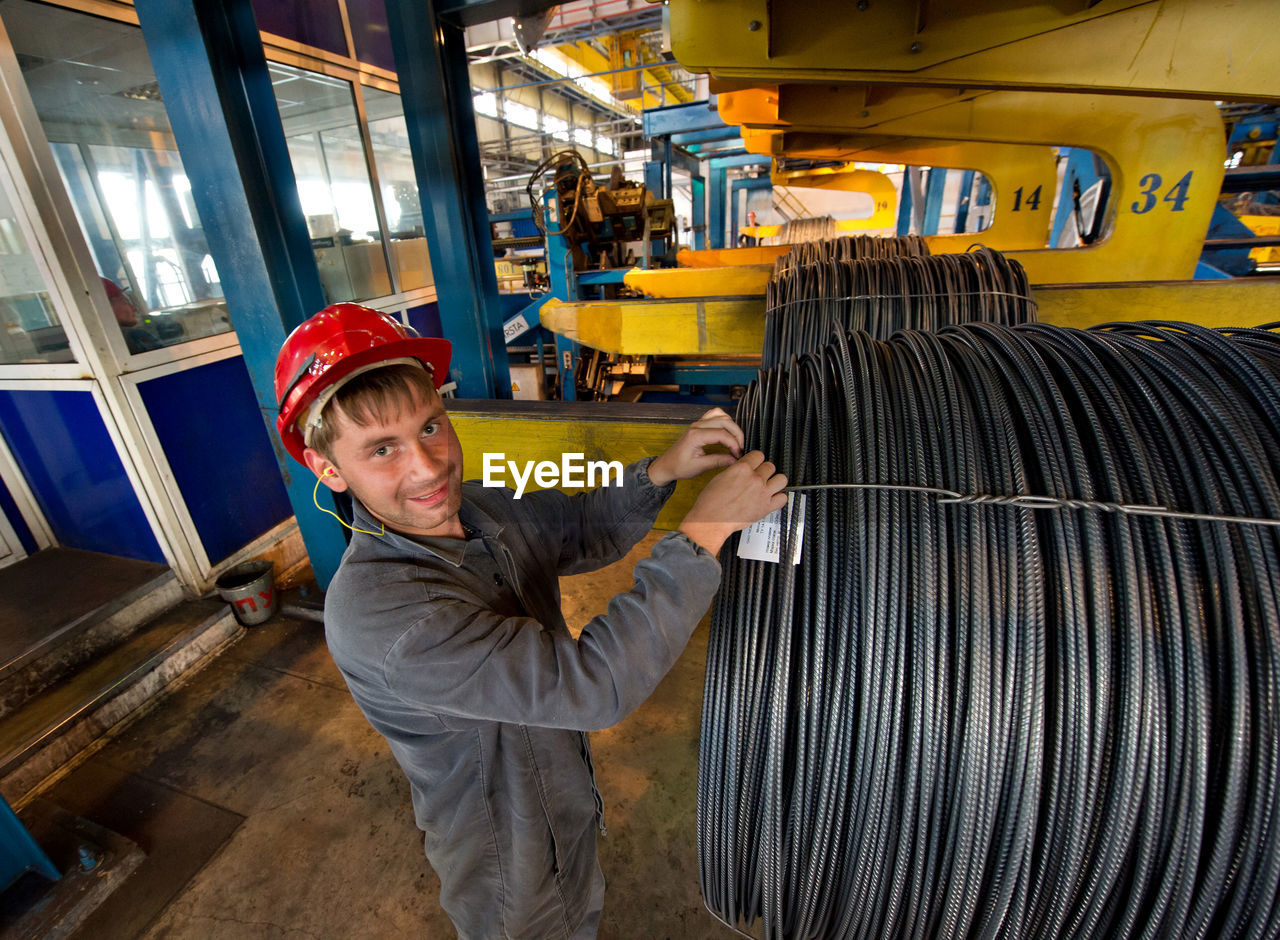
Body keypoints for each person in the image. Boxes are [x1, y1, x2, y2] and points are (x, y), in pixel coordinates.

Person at [273, 303, 787, 939]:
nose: (428, 467)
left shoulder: (479, 504)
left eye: (431, 427)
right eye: (382, 449)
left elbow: (572, 527)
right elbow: (591, 685)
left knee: (580, 906)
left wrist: (663, 470)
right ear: (328, 469)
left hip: (560, 790)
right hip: (505, 847)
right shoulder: (384, 616)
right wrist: (703, 532)